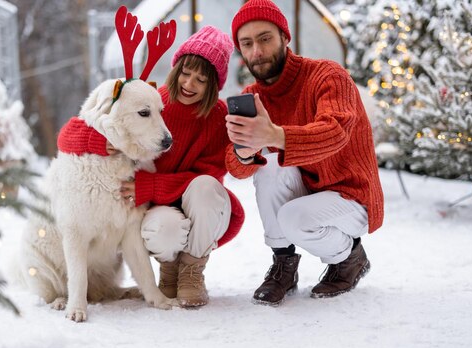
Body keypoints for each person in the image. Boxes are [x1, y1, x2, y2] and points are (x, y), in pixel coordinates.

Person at [58, 26, 244, 308]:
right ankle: (168, 271)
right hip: (159, 209)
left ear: (213, 86)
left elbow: (210, 178)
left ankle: (192, 270)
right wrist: (97, 138)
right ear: (176, 69)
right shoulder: (155, 101)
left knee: (206, 188)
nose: (190, 83)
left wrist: (150, 186)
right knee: (161, 228)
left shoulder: (218, 118)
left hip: (196, 204)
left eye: (201, 79)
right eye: (186, 72)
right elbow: (68, 134)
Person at [225, 0, 384, 304]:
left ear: (286, 38)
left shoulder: (327, 75)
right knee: (269, 165)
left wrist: (276, 135)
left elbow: (335, 131)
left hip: (352, 194)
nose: (256, 51)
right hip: (310, 192)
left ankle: (351, 258)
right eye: (247, 43)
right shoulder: (252, 98)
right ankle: (284, 265)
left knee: (294, 216)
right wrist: (246, 152)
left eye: (265, 38)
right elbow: (235, 166)